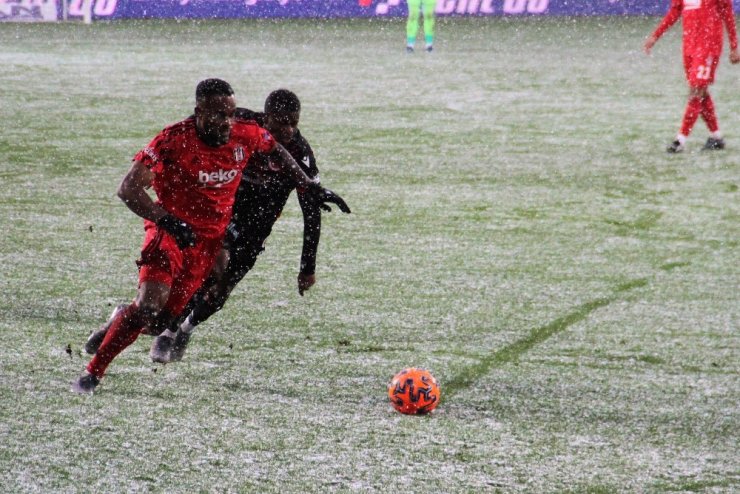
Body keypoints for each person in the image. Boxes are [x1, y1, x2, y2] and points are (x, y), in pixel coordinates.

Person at [71, 79, 322, 395]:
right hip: (170, 233)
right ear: (198, 112)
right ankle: (91, 375)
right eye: (219, 115)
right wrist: (169, 222)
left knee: (162, 319)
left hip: (209, 243)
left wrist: (307, 185)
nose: (227, 123)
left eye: (230, 115)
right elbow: (128, 188)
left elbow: (274, 147)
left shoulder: (247, 133)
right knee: (150, 305)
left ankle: (126, 317)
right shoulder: (173, 140)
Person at [644, 0, 740, 153]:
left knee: (696, 90)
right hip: (689, 46)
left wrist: (734, 46)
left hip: (709, 45)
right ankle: (716, 137)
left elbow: (727, 13)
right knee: (700, 91)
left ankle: (680, 140)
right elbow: (675, 12)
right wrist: (655, 36)